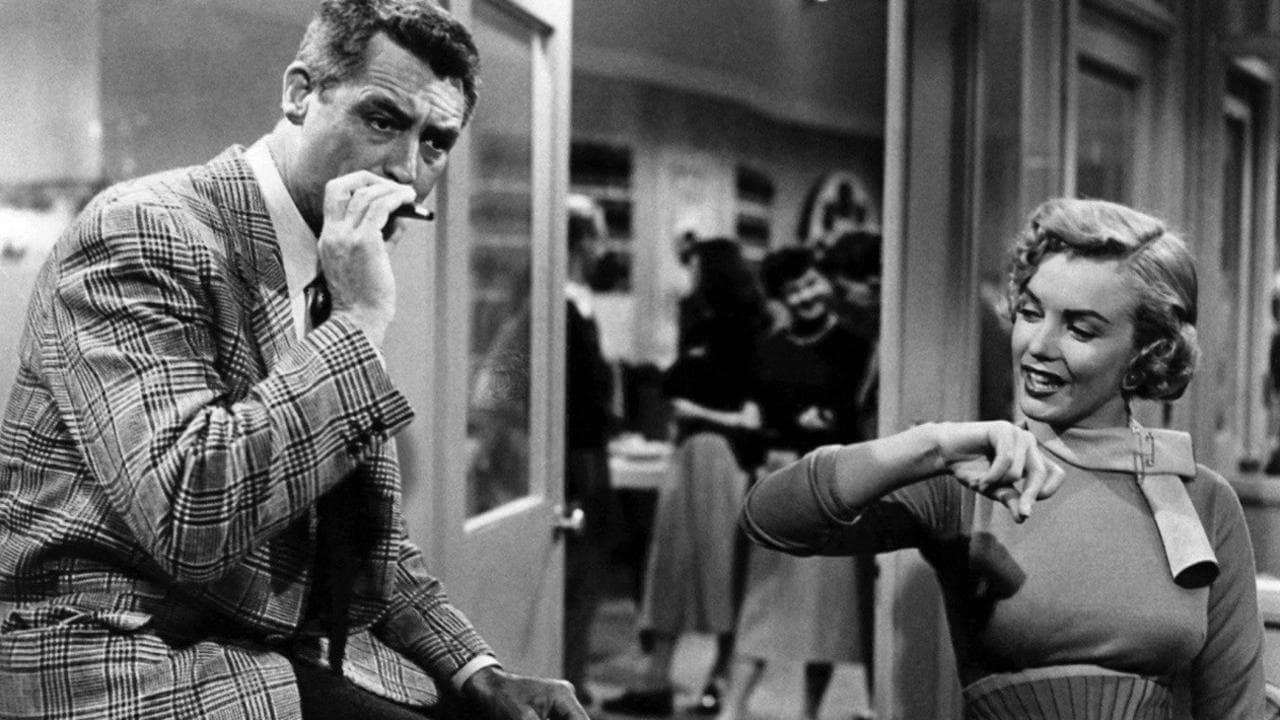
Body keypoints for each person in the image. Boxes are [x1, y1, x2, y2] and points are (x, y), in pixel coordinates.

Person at [0, 2, 587, 719]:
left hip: (266, 649)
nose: (406, 172)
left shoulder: (327, 270)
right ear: (300, 94)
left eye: (435, 143)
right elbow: (191, 516)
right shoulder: (143, 231)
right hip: (126, 658)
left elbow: (367, 541)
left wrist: (480, 672)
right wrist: (360, 321)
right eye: (382, 120)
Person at [741, 198, 1265, 719]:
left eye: (1080, 329)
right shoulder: (975, 475)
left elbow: (1236, 710)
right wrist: (930, 444)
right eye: (1030, 313)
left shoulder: (1203, 500)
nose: (1038, 344)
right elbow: (769, 519)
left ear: (1146, 353)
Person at [603, 238, 768, 717]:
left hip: (721, 456)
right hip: (692, 452)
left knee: (721, 570)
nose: (688, 278)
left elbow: (745, 409)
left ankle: (718, 678)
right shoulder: (703, 323)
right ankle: (659, 679)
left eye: (695, 268)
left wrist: (694, 404)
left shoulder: (746, 331)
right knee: (669, 567)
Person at [723, 246, 875, 720]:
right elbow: (754, 417)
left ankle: (810, 711)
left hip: (831, 484)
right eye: (794, 291)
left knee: (824, 615)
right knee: (761, 604)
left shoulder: (856, 346)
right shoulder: (769, 348)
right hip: (778, 483)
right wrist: (774, 434)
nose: (806, 296)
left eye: (810, 283)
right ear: (781, 299)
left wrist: (815, 425)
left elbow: (853, 419)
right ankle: (732, 709)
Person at [562, 194, 616, 706]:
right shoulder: (555, 303)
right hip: (571, 454)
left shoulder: (581, 300)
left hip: (590, 449)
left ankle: (574, 673)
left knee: (589, 569)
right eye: (598, 234)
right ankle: (566, 674)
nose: (605, 246)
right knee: (575, 570)